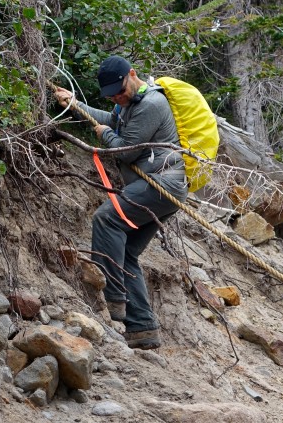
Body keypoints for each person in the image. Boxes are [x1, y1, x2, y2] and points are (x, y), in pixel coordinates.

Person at [53, 56, 187, 350]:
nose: (117, 97)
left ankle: (114, 298)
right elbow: (107, 121)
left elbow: (125, 151)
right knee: (127, 253)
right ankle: (142, 329)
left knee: (106, 218)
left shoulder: (151, 104)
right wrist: (74, 104)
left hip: (162, 185)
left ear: (133, 75)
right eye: (112, 94)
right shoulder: (125, 105)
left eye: (120, 90)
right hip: (158, 187)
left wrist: (108, 136)